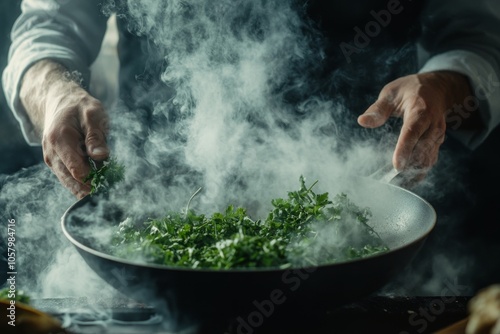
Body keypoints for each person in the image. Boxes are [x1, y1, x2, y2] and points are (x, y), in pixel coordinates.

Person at [2, 0, 500, 200]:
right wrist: (54, 90)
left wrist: (441, 85)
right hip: (159, 186)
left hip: (370, 188)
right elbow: (49, 24)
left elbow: (479, 35)